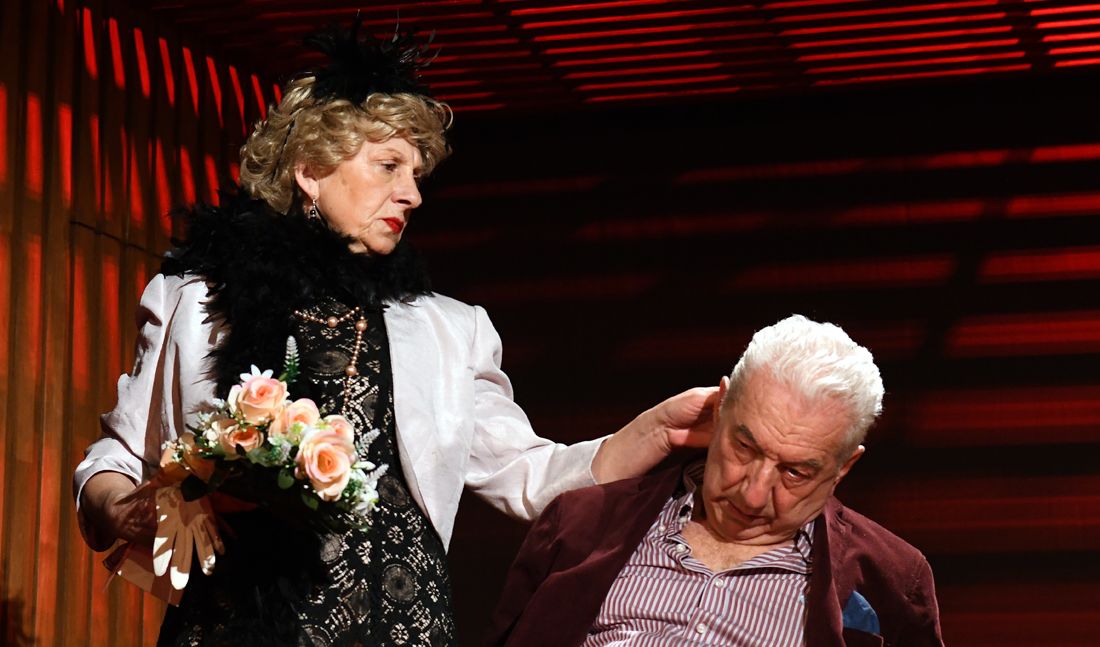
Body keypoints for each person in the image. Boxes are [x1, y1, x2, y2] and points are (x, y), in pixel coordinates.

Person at [72, 20, 715, 647]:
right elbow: (116, 459)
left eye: (416, 175)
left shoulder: (450, 330)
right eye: (388, 167)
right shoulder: (195, 300)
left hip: (400, 624)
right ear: (310, 170)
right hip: (240, 621)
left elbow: (528, 475)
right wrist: (126, 509)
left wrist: (657, 430)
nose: (412, 194)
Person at [486, 315, 945, 647]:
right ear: (720, 406)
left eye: (795, 472)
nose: (753, 494)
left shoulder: (890, 576)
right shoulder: (580, 523)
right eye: (744, 448)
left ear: (843, 467)